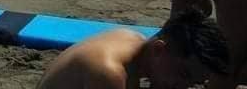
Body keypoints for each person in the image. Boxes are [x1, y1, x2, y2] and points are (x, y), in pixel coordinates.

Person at [37, 10, 229, 89]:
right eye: (183, 74)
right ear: (159, 49)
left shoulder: (132, 40)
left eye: (192, 83)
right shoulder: (108, 72)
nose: (182, 86)